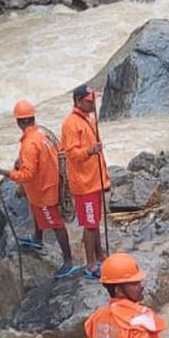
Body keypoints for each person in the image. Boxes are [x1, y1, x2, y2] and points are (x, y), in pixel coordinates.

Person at [0, 99, 78, 280]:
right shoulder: (42, 134)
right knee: (36, 209)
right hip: (47, 184)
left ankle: (69, 261)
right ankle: (37, 240)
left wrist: (3, 171)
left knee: (55, 223)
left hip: (43, 189)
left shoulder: (30, 144)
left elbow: (27, 175)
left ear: (19, 122)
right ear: (32, 118)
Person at [60, 84, 111, 279]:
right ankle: (90, 265)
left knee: (94, 222)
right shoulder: (71, 124)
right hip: (84, 184)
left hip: (93, 181)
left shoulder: (87, 119)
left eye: (94, 101)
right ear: (78, 101)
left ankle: (99, 255)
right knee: (90, 224)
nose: (93, 104)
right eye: (89, 101)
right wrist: (91, 151)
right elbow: (72, 154)